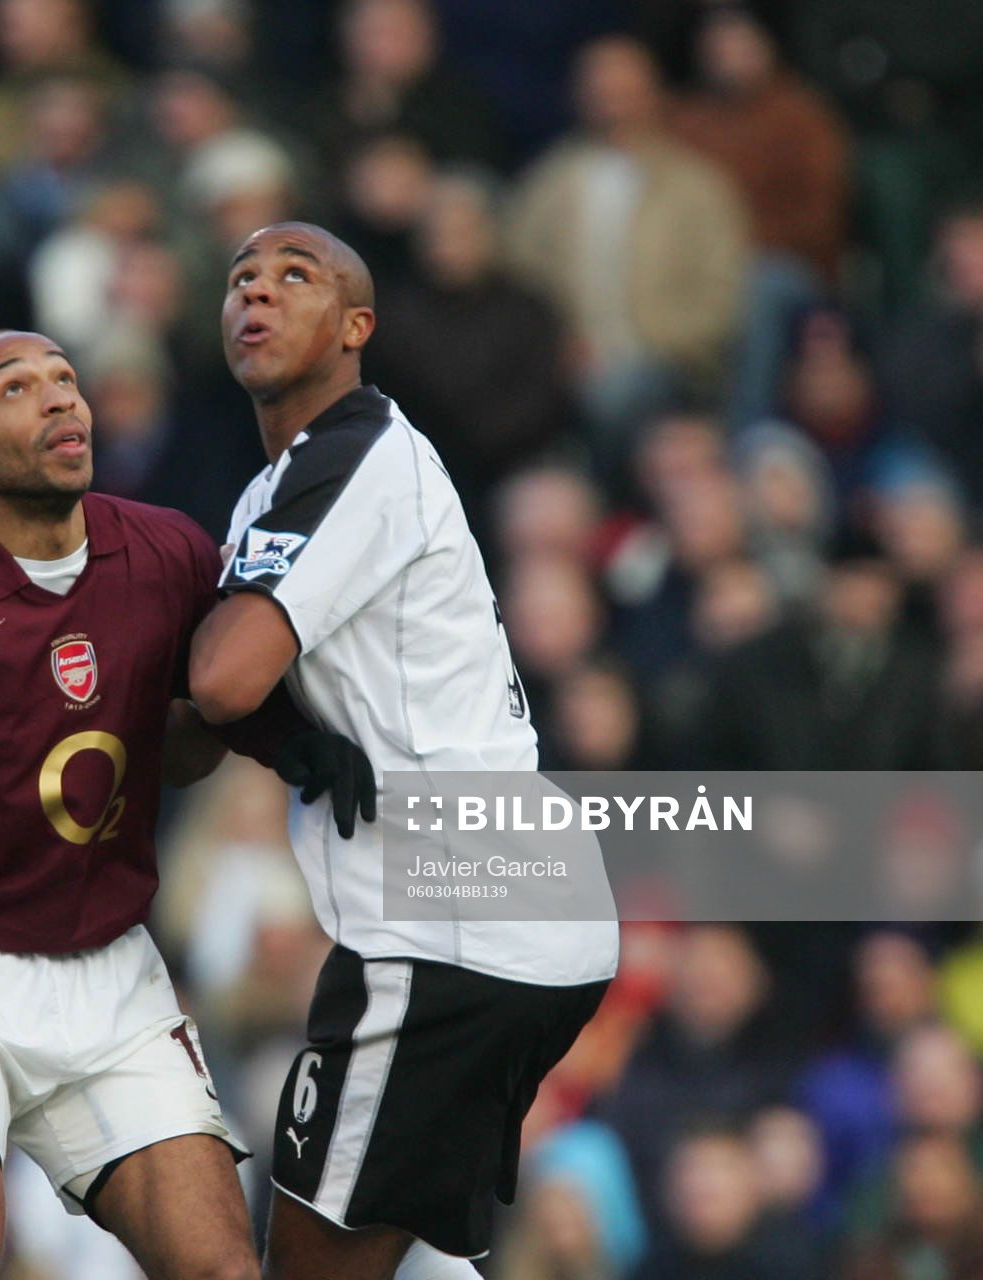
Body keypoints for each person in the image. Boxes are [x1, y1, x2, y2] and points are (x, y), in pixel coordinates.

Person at [0, 328, 374, 1280]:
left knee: (225, 1272)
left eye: (66, 379)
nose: (62, 400)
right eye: (18, 388)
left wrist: (292, 744)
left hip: (110, 977)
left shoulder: (167, 550)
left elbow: (209, 692)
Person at [189, 222, 620, 1280]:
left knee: (313, 1259)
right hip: (502, 916)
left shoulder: (359, 451)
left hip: (454, 926)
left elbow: (217, 682)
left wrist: (225, 685)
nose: (259, 292)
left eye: (297, 277)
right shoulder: (279, 490)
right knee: (421, 1248)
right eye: (242, 278)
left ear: (356, 325)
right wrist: (280, 731)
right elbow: (206, 726)